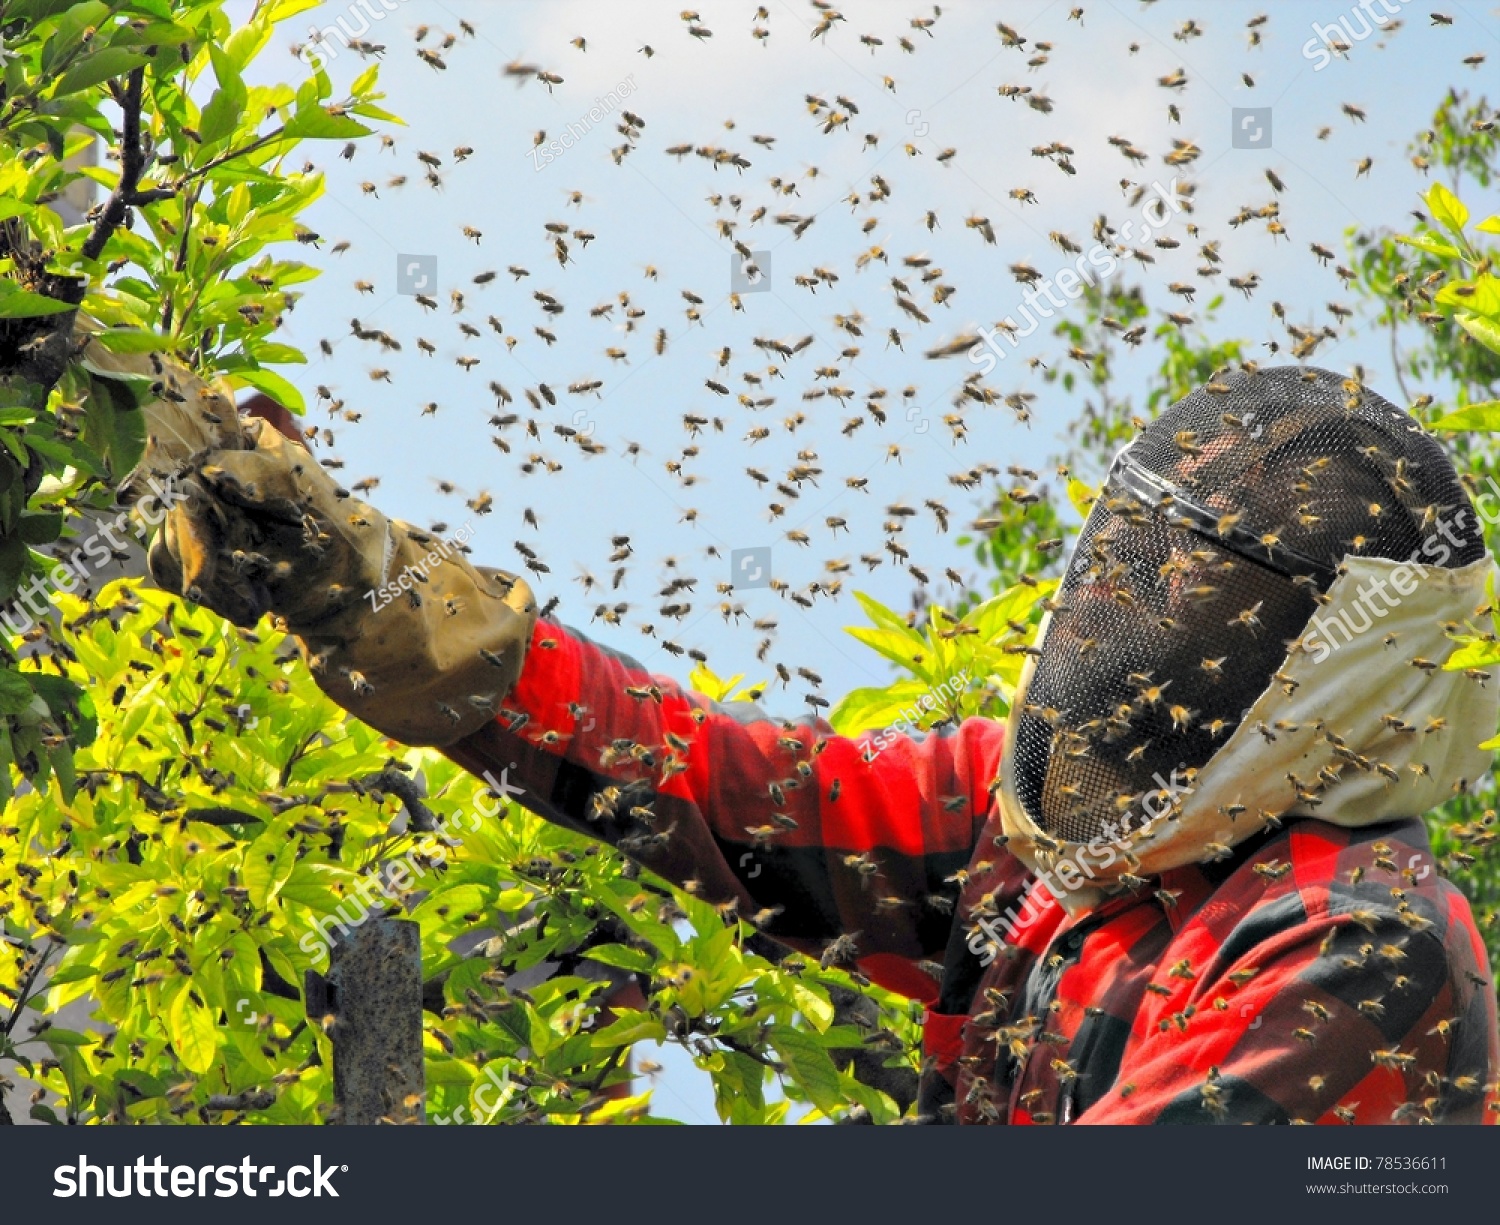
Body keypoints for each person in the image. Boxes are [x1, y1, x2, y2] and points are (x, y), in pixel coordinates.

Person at [142, 362, 1500, 1124]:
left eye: (1193, 592)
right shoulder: (1026, 829)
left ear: (1342, 665)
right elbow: (700, 782)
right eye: (1128, 559)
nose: (1120, 615)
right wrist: (360, 587)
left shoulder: (1360, 946)